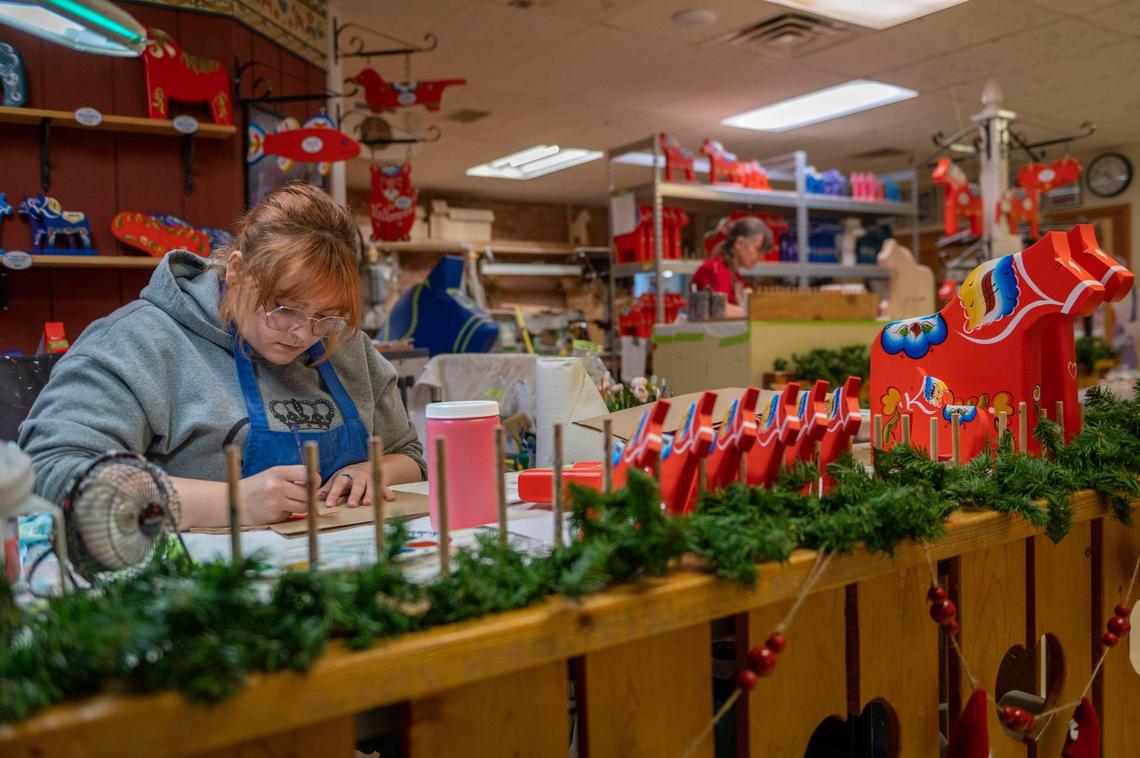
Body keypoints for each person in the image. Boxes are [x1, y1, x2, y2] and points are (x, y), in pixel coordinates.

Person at [19, 183, 425, 528]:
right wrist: (233, 502)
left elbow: (408, 454)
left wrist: (372, 470)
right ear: (235, 270)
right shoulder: (141, 341)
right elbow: (52, 473)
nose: (303, 332)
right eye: (284, 307)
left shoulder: (346, 345)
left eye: (324, 315)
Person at [691, 216, 773, 318]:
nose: (760, 257)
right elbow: (717, 310)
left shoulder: (734, 274)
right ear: (739, 243)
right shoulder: (715, 270)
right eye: (757, 249)